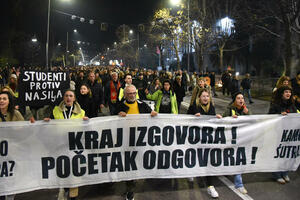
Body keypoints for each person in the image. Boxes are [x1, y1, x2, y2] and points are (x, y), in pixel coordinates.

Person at [44, 90, 88, 200]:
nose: (68, 98)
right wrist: (47, 122)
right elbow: (50, 127)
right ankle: (64, 188)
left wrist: (87, 123)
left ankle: (73, 196)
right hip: (60, 146)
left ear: (74, 98)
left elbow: (85, 130)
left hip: (74, 146)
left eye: (71, 96)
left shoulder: (81, 112)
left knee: (74, 171)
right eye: (66, 96)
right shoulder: (55, 111)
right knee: (63, 170)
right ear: (63, 98)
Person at [115, 85, 157, 200]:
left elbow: (152, 114)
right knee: (129, 164)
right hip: (126, 140)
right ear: (125, 94)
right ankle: (130, 189)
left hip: (140, 139)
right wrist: (118, 115)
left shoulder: (142, 105)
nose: (132, 95)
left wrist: (153, 114)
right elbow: (111, 121)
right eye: (130, 93)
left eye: (134, 93)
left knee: (139, 161)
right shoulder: (119, 106)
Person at [187, 88, 221, 198]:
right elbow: (184, 120)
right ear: (199, 98)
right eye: (203, 96)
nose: (205, 98)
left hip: (207, 139)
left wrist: (218, 118)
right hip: (195, 138)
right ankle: (191, 171)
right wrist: (192, 118)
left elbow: (213, 122)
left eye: (207, 96)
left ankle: (210, 186)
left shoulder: (212, 107)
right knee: (194, 157)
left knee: (207, 161)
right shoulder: (193, 107)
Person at [222, 92, 251, 194]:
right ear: (234, 100)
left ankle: (239, 183)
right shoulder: (229, 110)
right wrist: (230, 119)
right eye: (238, 98)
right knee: (232, 158)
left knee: (238, 159)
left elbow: (253, 123)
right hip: (231, 139)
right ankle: (239, 184)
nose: (241, 100)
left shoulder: (246, 110)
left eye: (242, 98)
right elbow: (222, 121)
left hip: (242, 139)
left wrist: (247, 114)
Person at [269, 86, 298, 184]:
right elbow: (269, 117)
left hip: (289, 134)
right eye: (286, 92)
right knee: (278, 153)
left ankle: (285, 172)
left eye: (289, 92)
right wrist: (279, 115)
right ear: (281, 93)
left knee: (287, 153)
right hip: (278, 133)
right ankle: (277, 174)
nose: (288, 94)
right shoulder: (275, 105)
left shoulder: (292, 105)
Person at [0, 91, 25, 200]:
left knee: (10, 177)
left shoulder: (16, 114)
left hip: (12, 152)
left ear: (9, 101)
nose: (1, 101)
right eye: (0, 98)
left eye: (4, 99)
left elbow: (24, 130)